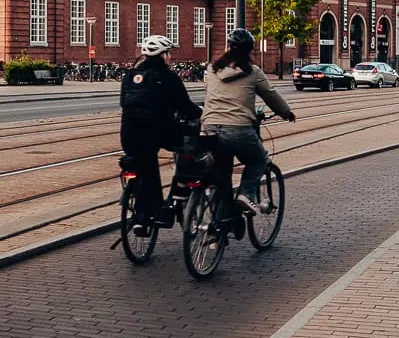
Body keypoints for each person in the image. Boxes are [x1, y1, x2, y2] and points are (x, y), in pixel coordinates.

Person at [201, 28, 296, 215]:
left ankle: (220, 220)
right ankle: (246, 193)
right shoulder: (253, 72)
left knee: (221, 172)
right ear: (249, 50)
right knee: (259, 160)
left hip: (209, 129)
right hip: (238, 129)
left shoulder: (212, 70)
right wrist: (286, 113)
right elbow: (271, 95)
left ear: (228, 47)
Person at [119, 34, 203, 234]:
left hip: (129, 135)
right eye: (169, 53)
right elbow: (185, 106)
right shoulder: (168, 77)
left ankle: (144, 213)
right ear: (163, 56)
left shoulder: (130, 76)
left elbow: (123, 103)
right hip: (158, 132)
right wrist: (201, 113)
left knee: (145, 166)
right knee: (189, 146)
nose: (170, 57)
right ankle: (180, 187)